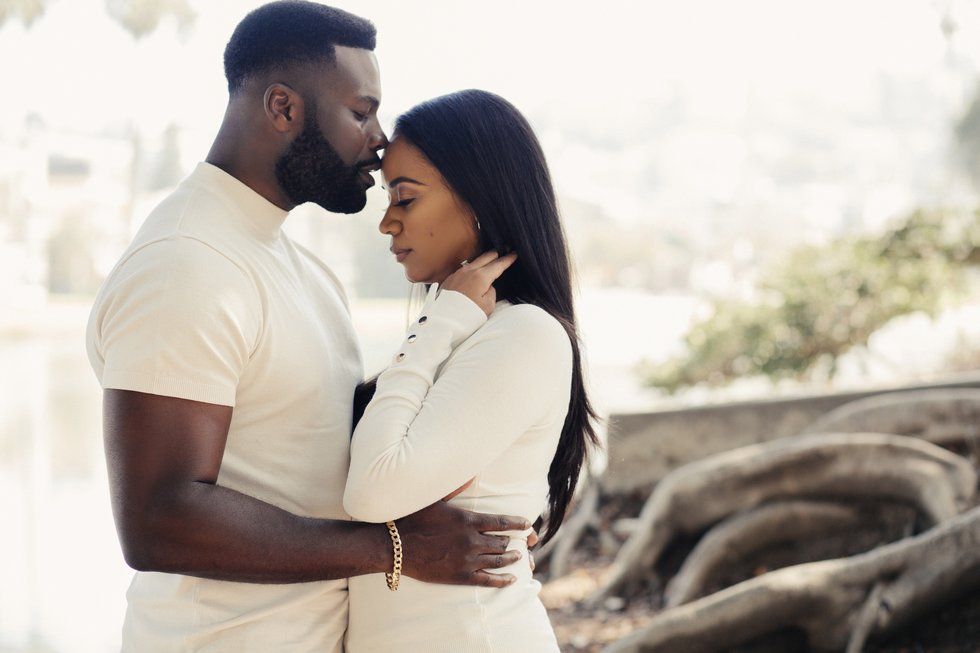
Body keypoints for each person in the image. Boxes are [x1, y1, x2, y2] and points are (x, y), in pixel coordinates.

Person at [85, 4, 531, 651]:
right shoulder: (187, 262)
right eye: (361, 110)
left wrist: (482, 491)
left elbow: (321, 440)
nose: (379, 139)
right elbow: (159, 517)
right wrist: (395, 548)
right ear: (284, 108)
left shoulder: (299, 267)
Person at [343, 89, 600, 652]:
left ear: (480, 201)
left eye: (405, 199)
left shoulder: (523, 335)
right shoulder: (470, 336)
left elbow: (372, 491)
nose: (386, 223)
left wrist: (439, 323)